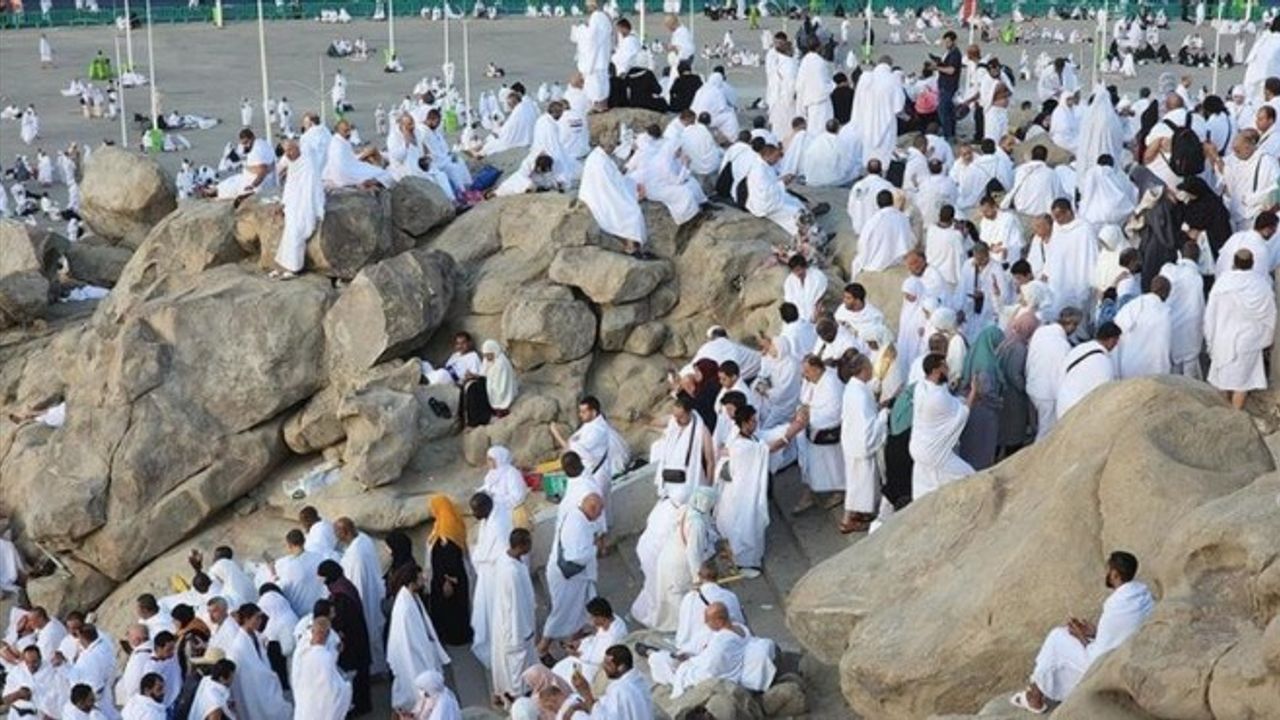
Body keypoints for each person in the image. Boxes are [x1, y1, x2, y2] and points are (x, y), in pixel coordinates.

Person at [1010, 551, 1155, 713]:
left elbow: (1098, 656)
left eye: (1108, 570)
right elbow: (1121, 633)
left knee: (1057, 637)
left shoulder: (1117, 604)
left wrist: (1080, 636)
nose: (1106, 574)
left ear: (1115, 574)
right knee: (1065, 638)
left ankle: (1035, 696)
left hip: (1108, 663)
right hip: (1126, 653)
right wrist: (1094, 632)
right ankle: (1044, 689)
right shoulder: (1143, 595)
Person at [1205, 249, 1278, 409]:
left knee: (1222, 382)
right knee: (1242, 385)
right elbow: (1270, 314)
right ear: (1252, 264)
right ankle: (1235, 416)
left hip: (1223, 341)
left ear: (1234, 263)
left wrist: (1210, 339)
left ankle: (1225, 415)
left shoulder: (1222, 283)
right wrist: (1269, 338)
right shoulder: (1261, 285)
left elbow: (1210, 315)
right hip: (1249, 342)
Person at [542, 493, 604, 656]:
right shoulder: (577, 524)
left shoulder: (578, 516)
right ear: (592, 509)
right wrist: (594, 548)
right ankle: (543, 647)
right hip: (566, 579)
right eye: (600, 511)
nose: (600, 515)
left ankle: (574, 638)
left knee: (581, 607)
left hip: (576, 578)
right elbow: (576, 556)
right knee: (561, 613)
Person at [910, 353, 977, 499]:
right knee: (968, 475)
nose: (948, 369)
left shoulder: (921, 386)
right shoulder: (937, 398)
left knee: (927, 487)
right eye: (945, 367)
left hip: (919, 448)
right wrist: (973, 392)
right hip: (934, 453)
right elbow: (962, 413)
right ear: (935, 371)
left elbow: (948, 397)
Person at [714, 405, 770, 575]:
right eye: (753, 420)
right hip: (742, 494)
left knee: (745, 526)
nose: (756, 423)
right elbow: (764, 450)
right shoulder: (744, 446)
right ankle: (743, 562)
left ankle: (743, 559)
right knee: (744, 527)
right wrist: (788, 435)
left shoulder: (743, 439)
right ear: (744, 423)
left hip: (741, 491)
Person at [385, 565, 451, 712]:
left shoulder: (411, 596)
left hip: (419, 650)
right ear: (412, 581)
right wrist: (427, 656)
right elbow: (412, 637)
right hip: (414, 655)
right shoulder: (405, 605)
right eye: (420, 577)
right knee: (416, 691)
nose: (424, 579)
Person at [648, 602, 747, 699]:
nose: (705, 623)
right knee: (666, 658)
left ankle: (670, 679)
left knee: (658, 659)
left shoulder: (722, 641)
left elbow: (711, 667)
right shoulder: (741, 628)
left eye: (708, 620)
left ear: (719, 621)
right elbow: (712, 656)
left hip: (708, 673)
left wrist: (689, 662)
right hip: (705, 664)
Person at [274, 115, 330, 279]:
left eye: (290, 150)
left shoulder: (308, 161)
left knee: (297, 230)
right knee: (288, 231)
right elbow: (290, 185)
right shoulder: (292, 162)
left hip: (307, 204)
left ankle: (293, 268)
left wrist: (317, 209)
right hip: (293, 204)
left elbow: (313, 187)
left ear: (296, 148)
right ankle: (282, 265)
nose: (288, 154)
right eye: (286, 152)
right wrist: (283, 204)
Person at [840, 355, 890, 533]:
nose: (872, 371)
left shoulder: (853, 387)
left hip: (851, 441)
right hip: (860, 444)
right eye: (870, 367)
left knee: (856, 482)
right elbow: (867, 426)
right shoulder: (859, 394)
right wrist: (883, 415)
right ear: (864, 370)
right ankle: (847, 521)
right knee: (858, 484)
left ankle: (857, 515)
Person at [791, 355, 846, 513]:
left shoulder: (831, 383)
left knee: (833, 466)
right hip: (810, 431)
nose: (805, 375)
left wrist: (809, 414)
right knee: (812, 466)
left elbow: (833, 411)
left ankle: (839, 491)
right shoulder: (813, 380)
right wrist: (804, 410)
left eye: (807, 371)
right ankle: (811, 492)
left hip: (826, 432)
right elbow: (805, 400)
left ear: (816, 369)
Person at [487, 528, 536, 706]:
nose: (531, 546)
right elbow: (516, 607)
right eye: (529, 543)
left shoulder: (506, 558)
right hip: (516, 627)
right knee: (517, 665)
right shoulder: (512, 573)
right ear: (522, 546)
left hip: (507, 620)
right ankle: (518, 699)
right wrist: (524, 632)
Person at [335, 517, 386, 675]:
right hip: (374, 593)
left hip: (365, 600)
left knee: (370, 634)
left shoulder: (356, 555)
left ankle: (375, 671)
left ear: (345, 532)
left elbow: (357, 583)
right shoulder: (364, 540)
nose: (336, 536)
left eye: (337, 532)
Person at [223, 605, 292, 719]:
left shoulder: (255, 636)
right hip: (250, 686)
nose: (260, 621)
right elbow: (249, 667)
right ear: (246, 619)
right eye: (257, 618)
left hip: (261, 683)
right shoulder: (239, 644)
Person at [578, 148, 647, 255]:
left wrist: (633, 187)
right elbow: (611, 187)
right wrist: (632, 193)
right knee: (633, 212)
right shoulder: (599, 160)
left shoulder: (602, 157)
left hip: (604, 194)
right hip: (600, 198)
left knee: (631, 209)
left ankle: (631, 245)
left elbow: (616, 181)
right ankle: (631, 247)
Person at [423, 496, 472, 647]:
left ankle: (453, 637)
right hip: (455, 577)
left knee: (450, 610)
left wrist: (447, 580)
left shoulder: (445, 532)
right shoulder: (450, 524)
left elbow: (449, 559)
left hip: (447, 580)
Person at [551, 597, 628, 685]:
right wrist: (580, 643)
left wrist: (578, 655)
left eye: (592, 617)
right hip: (586, 655)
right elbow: (596, 639)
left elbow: (601, 659)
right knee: (557, 668)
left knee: (566, 681)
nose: (590, 619)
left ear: (601, 617)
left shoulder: (614, 637)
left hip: (594, 667)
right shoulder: (608, 619)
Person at [290, 617, 351, 720]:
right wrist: (346, 688)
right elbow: (331, 688)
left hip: (304, 701)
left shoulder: (300, 651)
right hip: (319, 706)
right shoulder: (325, 656)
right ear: (327, 634)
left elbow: (295, 676)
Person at [1057, 322, 1122, 419]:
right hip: (1076, 412)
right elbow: (1104, 396)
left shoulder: (1079, 348)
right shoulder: (1103, 362)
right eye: (1116, 342)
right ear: (1112, 340)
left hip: (1062, 404)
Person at [567, 645, 653, 718]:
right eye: (604, 663)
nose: (603, 667)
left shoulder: (621, 689)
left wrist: (586, 693)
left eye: (608, 664)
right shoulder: (637, 680)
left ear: (621, 667)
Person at [1113, 276, 1173, 378]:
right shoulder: (1165, 313)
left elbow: (1118, 326)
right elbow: (1163, 346)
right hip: (1154, 370)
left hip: (1129, 364)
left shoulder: (1134, 305)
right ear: (1165, 293)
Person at [850, 190, 913, 277]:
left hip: (877, 263)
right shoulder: (903, 218)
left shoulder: (873, 221)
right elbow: (910, 241)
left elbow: (863, 243)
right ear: (892, 201)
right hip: (899, 260)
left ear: (877, 204)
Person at [270, 529, 325, 617]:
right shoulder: (319, 558)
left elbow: (279, 589)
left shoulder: (290, 567)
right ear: (304, 541)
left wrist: (273, 573)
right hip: (318, 608)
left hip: (298, 613)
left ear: (289, 545)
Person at [323, 120, 393, 189]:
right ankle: (370, 180)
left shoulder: (338, 140)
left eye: (349, 130)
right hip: (346, 173)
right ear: (338, 131)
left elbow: (348, 157)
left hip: (343, 171)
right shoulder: (338, 143)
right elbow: (348, 162)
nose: (348, 133)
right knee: (383, 173)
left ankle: (375, 172)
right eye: (345, 131)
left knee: (371, 159)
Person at [215, 128, 275, 199]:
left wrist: (253, 185)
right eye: (243, 143)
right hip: (259, 179)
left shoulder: (257, 150)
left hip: (258, 183)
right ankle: (213, 190)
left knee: (227, 189)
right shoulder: (261, 142)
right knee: (230, 181)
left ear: (252, 138)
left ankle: (213, 192)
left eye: (246, 142)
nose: (246, 145)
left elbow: (263, 171)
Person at [2, 645, 59, 719]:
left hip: (43, 714)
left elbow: (56, 696)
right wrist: (19, 693)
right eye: (27, 662)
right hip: (18, 712)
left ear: (40, 659)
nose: (31, 665)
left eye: (34, 662)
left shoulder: (51, 670)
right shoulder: (17, 672)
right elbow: (6, 699)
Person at [782, 253, 828, 323]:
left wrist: (816, 315)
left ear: (804, 267)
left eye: (799, 270)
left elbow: (820, 298)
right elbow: (789, 301)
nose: (797, 273)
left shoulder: (817, 277)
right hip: (797, 317)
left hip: (816, 314)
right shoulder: (789, 281)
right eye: (794, 271)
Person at [935, 31, 962, 139]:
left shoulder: (955, 54)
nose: (946, 44)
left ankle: (948, 134)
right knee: (949, 111)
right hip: (946, 85)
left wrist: (937, 68)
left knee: (944, 111)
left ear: (953, 41)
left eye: (948, 42)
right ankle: (951, 133)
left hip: (948, 86)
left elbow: (951, 70)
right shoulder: (950, 52)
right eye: (945, 42)